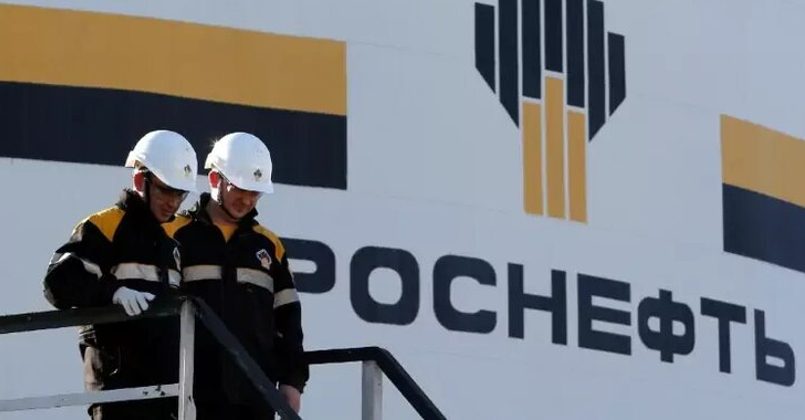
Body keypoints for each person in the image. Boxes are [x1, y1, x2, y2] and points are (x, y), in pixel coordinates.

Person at [43, 130, 198, 419]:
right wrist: (112, 292)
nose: (174, 202)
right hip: (117, 392)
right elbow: (58, 282)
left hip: (165, 396)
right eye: (166, 190)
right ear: (140, 180)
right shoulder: (104, 227)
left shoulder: (174, 240)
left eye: (180, 194)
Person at [164, 132, 308, 419]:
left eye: (255, 193)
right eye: (240, 189)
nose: (247, 200)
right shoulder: (174, 233)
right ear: (215, 179)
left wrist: (292, 381)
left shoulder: (269, 246)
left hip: (254, 397)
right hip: (188, 393)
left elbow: (288, 320)